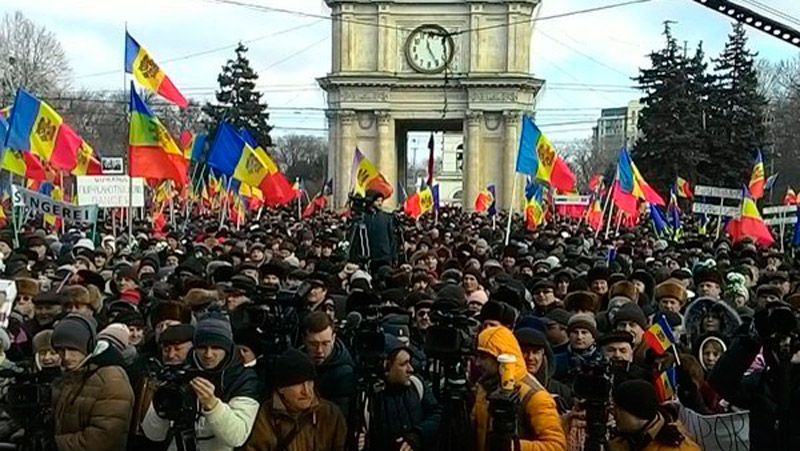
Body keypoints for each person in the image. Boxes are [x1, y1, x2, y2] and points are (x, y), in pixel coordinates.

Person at [142, 311, 260, 451]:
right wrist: (162, 404)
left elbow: (237, 437)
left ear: (227, 347)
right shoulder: (181, 371)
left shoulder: (242, 379)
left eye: (216, 347)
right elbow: (153, 434)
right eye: (202, 347)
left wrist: (213, 405)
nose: (208, 355)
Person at [473, 325, 567, 451]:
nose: (478, 363)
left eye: (484, 357)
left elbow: (557, 446)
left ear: (500, 358)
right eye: (477, 356)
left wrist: (513, 446)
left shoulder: (535, 397)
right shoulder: (485, 387)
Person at [51, 314, 134, 451]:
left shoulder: (111, 380)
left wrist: (56, 444)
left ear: (88, 347)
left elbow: (103, 437)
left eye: (73, 349)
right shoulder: (69, 376)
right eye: (60, 350)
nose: (66, 356)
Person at [242, 348, 346, 451]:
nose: (306, 391)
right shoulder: (265, 416)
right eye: (298, 384)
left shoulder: (330, 414)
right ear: (281, 389)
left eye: (309, 383)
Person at [364, 335, 441, 451]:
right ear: (386, 367)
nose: (410, 369)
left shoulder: (417, 384)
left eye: (410, 362)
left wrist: (418, 434)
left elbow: (437, 414)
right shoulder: (367, 398)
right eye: (403, 364)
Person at [609, 380, 700, 450]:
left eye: (619, 408)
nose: (612, 412)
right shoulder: (620, 443)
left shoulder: (680, 448)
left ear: (637, 412)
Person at [301, 311, 356, 418]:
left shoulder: (344, 373)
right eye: (313, 344)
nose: (319, 350)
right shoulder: (297, 362)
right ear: (304, 340)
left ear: (334, 338)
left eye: (325, 343)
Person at [360, 189, 397, 271]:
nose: (380, 203)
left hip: (384, 257)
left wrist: (393, 256)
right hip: (369, 257)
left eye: (381, 201)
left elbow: (391, 238)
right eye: (377, 201)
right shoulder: (363, 218)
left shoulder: (386, 218)